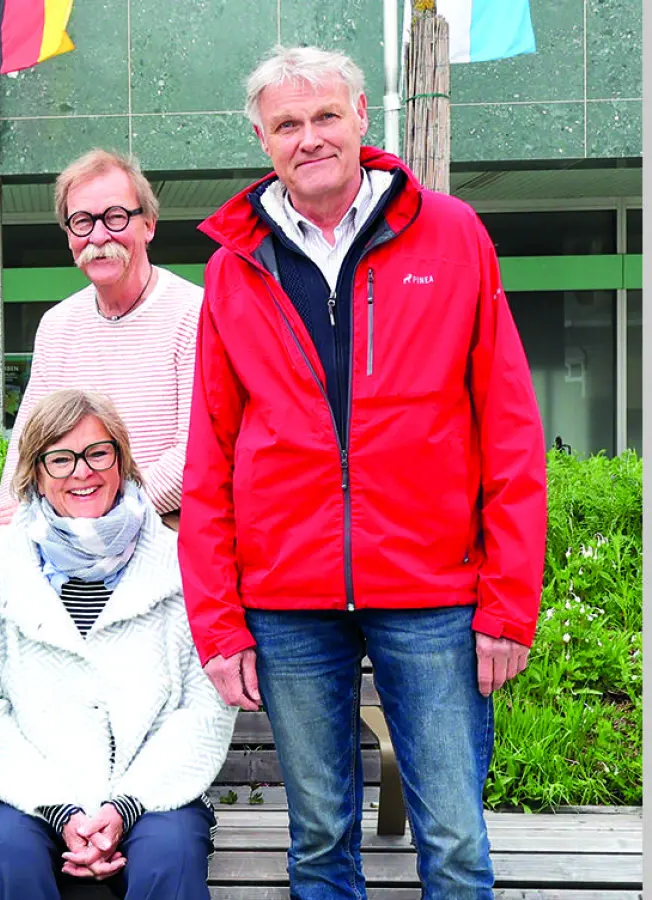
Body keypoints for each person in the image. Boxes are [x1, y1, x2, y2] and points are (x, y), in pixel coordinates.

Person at [182, 46, 547, 896]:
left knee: (454, 839)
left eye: (324, 117)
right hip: (288, 595)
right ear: (261, 139)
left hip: (432, 589)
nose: (309, 138)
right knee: (317, 842)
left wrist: (507, 603)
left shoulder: (452, 234)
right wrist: (221, 621)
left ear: (360, 118)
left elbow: (510, 428)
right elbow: (211, 454)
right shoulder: (235, 265)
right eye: (286, 125)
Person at [0, 389, 233, 900]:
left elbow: (203, 710)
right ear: (36, 474)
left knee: (170, 862)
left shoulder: (182, 562)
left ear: (123, 461)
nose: (81, 472)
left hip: (154, 793)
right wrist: (62, 810)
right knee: (7, 860)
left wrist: (123, 807)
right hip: (28, 794)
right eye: (60, 458)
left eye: (97, 453)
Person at [0, 150, 200, 529]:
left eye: (116, 217)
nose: (99, 235)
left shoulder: (194, 314)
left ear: (149, 224)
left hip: (163, 532)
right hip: (69, 536)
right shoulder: (57, 325)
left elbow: (197, 451)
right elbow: (27, 439)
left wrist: (104, 514)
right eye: (82, 222)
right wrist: (9, 513)